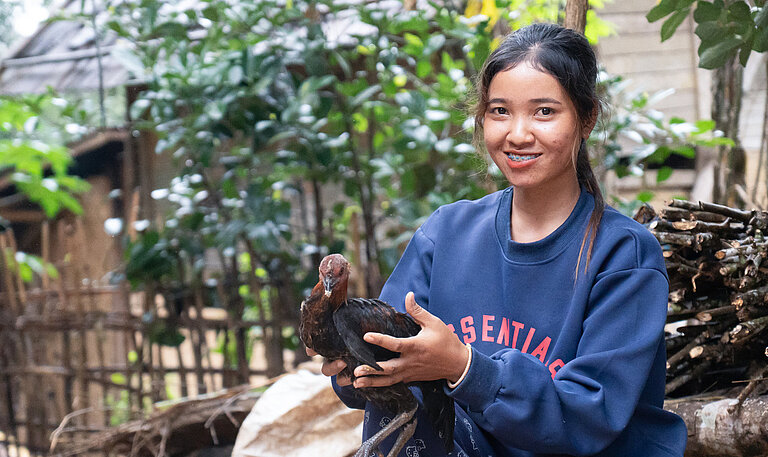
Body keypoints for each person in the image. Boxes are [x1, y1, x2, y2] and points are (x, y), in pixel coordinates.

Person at [316, 22, 688, 456]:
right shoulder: (446, 233)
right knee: (401, 406)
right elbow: (383, 380)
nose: (518, 134)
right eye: (500, 111)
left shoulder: (624, 253)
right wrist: (353, 360)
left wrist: (464, 367)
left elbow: (588, 416)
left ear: (586, 118)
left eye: (544, 112)